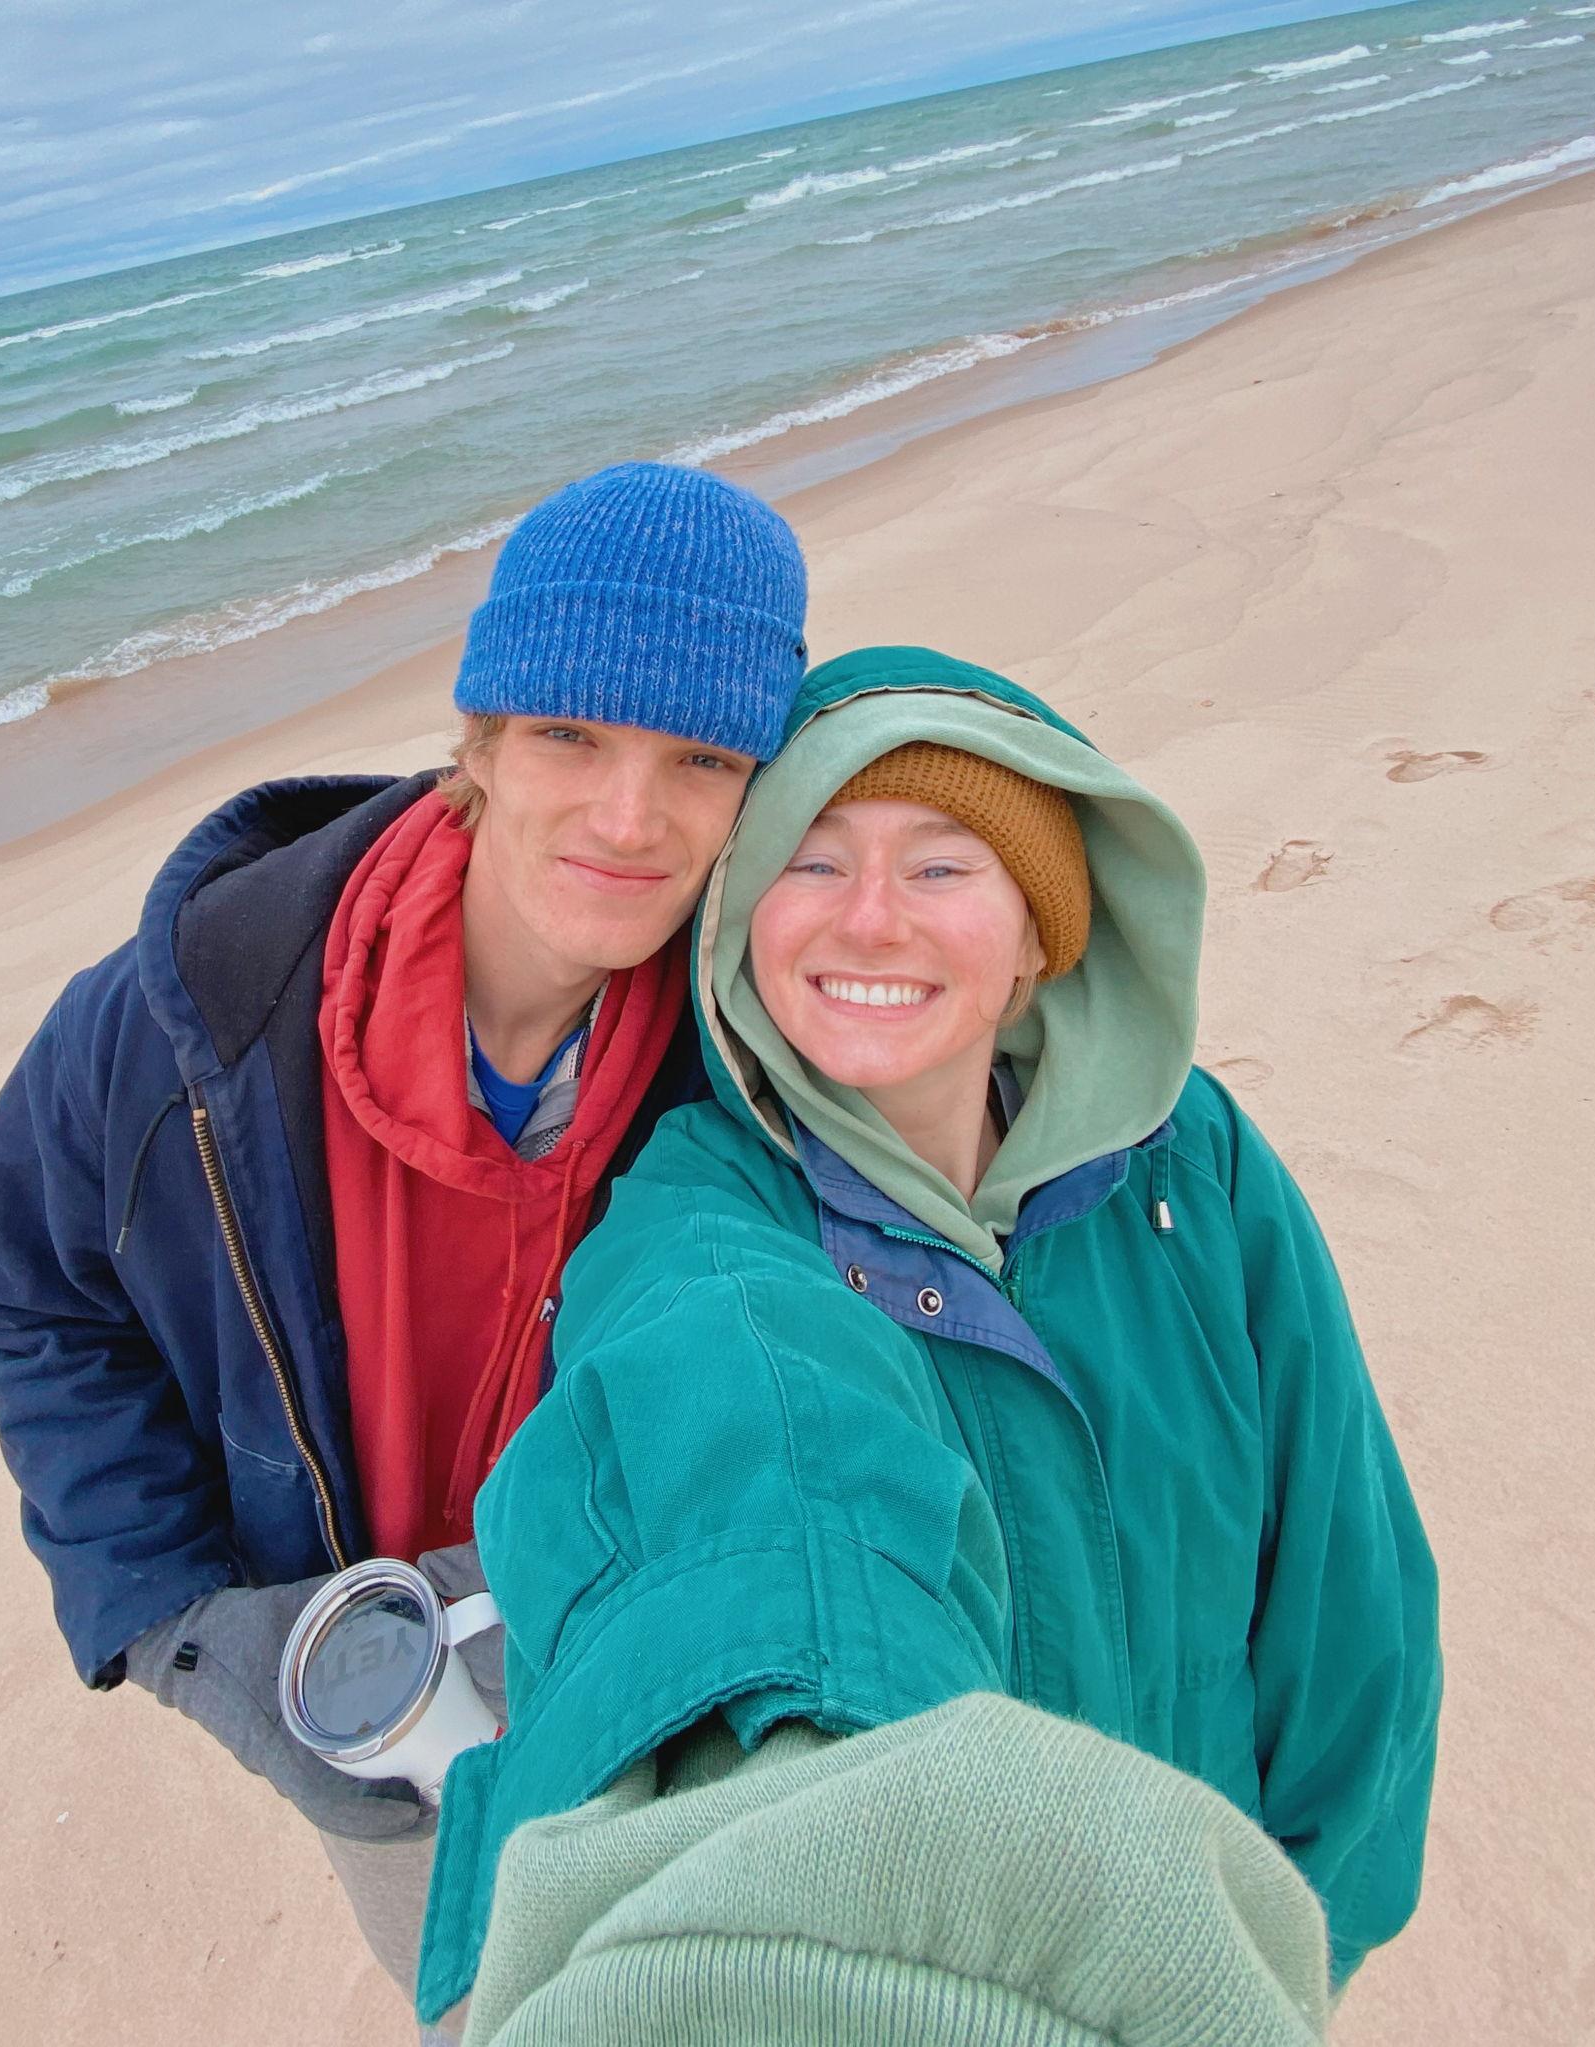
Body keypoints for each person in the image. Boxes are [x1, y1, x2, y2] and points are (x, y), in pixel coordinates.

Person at [415, 643, 1439, 2024]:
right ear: (738, 927)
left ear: (1038, 937)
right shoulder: (695, 1231)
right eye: (812, 861)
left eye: (944, 866)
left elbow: (1347, 1591)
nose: (872, 920)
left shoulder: (1190, 1167)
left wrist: (1296, 1950)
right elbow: (746, 1519)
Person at [0, 461, 809, 2026]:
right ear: (477, 737)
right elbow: (33, 1292)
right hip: (379, 1713)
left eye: (701, 756)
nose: (630, 816)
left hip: (661, 1659)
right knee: (481, 1998)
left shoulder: (757, 1039)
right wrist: (175, 1620)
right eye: (570, 733)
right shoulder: (176, 1026)